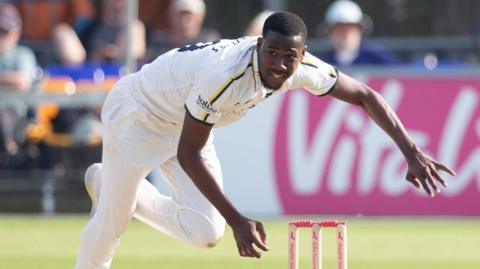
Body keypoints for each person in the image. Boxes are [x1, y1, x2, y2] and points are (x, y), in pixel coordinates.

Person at [73, 12, 455, 268]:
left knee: (206, 232)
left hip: (189, 122)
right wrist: (238, 218)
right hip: (139, 114)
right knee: (113, 223)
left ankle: (110, 184)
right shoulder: (224, 75)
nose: (279, 65)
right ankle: (113, 199)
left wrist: (412, 152)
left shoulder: (304, 68)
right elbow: (189, 154)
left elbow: (365, 96)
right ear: (258, 45)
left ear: (303, 55)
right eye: (271, 52)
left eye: (289, 56)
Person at [0, 3, 36, 159]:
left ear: (16, 32)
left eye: (4, 31)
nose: (1, 36)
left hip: (16, 117)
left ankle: (10, 148)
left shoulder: (23, 54)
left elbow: (22, 81)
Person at [321, 0, 400, 66]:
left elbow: (402, 73)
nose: (345, 34)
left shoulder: (376, 55)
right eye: (339, 29)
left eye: (350, 28)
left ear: (360, 30)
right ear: (330, 32)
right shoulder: (325, 61)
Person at [146, 0, 220, 60]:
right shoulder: (158, 42)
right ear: (171, 16)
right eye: (180, 16)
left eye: (189, 17)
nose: (183, 22)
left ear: (200, 18)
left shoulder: (209, 42)